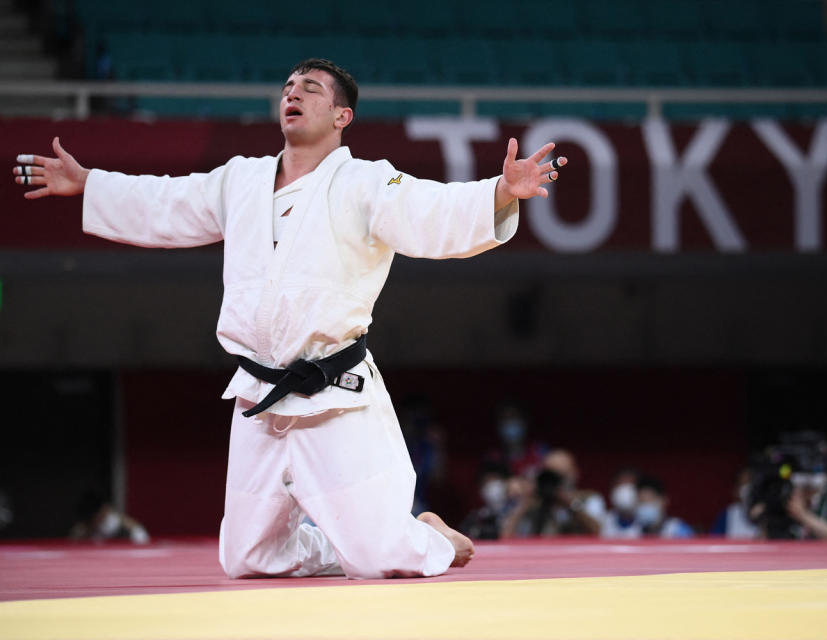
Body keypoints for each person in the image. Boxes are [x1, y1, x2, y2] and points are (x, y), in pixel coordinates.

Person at [13, 57, 568, 579]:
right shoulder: (240, 180)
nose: (293, 93)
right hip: (259, 394)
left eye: (311, 88)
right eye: (287, 87)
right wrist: (90, 184)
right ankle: (345, 545)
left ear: (341, 115)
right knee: (248, 557)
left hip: (334, 390)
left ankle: (433, 537)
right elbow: (169, 202)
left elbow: (430, 210)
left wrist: (499, 192)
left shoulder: (366, 183)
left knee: (386, 559)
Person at [501, 448, 604, 538]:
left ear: (574, 473)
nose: (555, 482)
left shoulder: (589, 498)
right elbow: (505, 537)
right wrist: (523, 505)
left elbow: (598, 531)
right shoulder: (534, 502)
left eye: (561, 475)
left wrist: (570, 504)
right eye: (551, 475)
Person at [709, 468, 759, 539]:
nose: (746, 489)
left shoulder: (767, 513)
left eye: (749, 484)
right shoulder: (728, 513)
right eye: (742, 485)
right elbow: (714, 541)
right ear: (735, 490)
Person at [600, 467, 643, 539]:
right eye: (621, 485)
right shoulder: (601, 520)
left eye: (630, 485)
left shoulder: (647, 521)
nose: (625, 491)